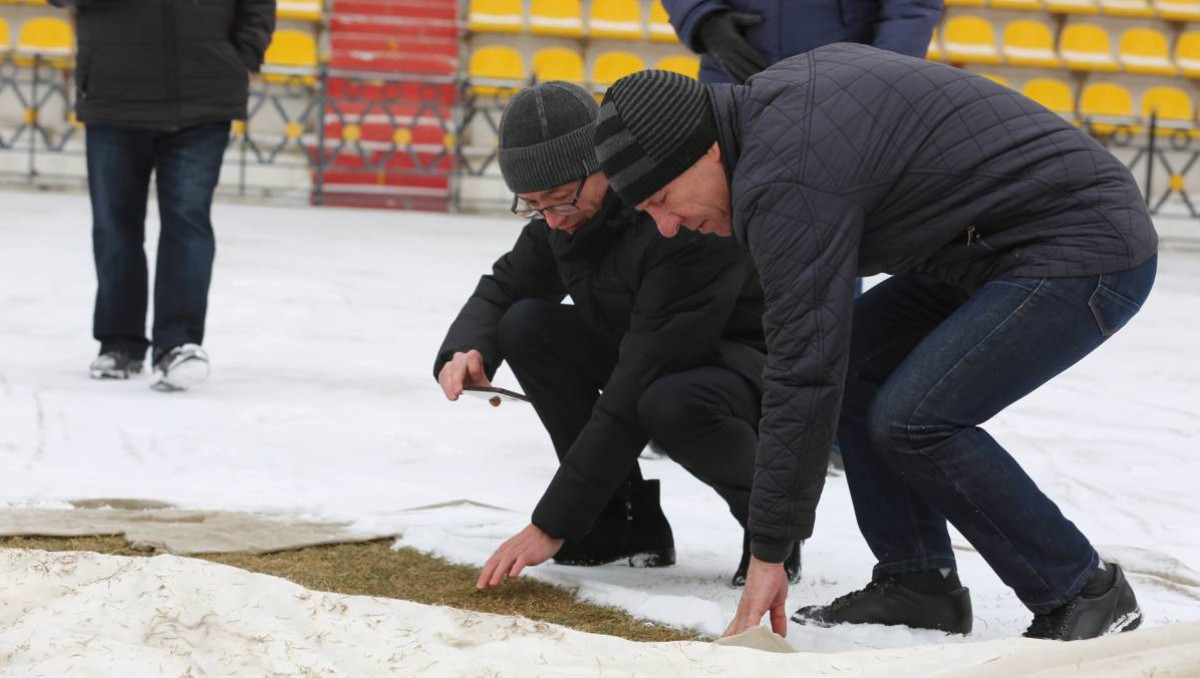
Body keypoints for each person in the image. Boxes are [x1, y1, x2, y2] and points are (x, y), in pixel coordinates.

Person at [593, 44, 1157, 641]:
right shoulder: (765, 119)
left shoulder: (783, 177)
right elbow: (825, 359)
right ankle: (919, 584)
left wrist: (769, 550)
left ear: (703, 150)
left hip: (1083, 246)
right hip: (986, 247)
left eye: (662, 198)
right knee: (860, 364)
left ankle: (1084, 590)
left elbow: (802, 366)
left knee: (915, 418)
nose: (668, 224)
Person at [434, 81, 799, 590]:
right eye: (534, 206)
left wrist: (550, 524)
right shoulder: (564, 217)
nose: (552, 220)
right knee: (525, 326)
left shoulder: (678, 217)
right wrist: (467, 349)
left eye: (560, 201)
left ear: (604, 163)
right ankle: (620, 522)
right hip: (649, 349)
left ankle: (769, 537)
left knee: (670, 400)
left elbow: (641, 376)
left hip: (746, 361)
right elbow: (506, 287)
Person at [49, 0, 276, 390]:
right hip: (114, 94)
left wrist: (242, 58)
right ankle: (120, 343)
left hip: (204, 98)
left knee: (188, 221)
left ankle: (179, 344)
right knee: (114, 225)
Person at [662, 0, 941, 84]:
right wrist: (704, 20)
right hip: (732, 78)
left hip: (842, 92)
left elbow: (912, 9)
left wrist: (882, 84)